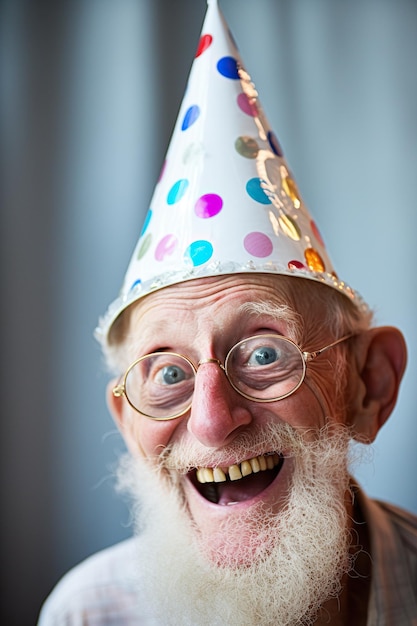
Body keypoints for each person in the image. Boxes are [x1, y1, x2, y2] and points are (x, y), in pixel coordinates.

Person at [39, 1, 417, 624]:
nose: (213, 423)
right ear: (128, 428)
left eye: (265, 352)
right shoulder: (86, 614)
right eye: (166, 374)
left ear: (370, 385)